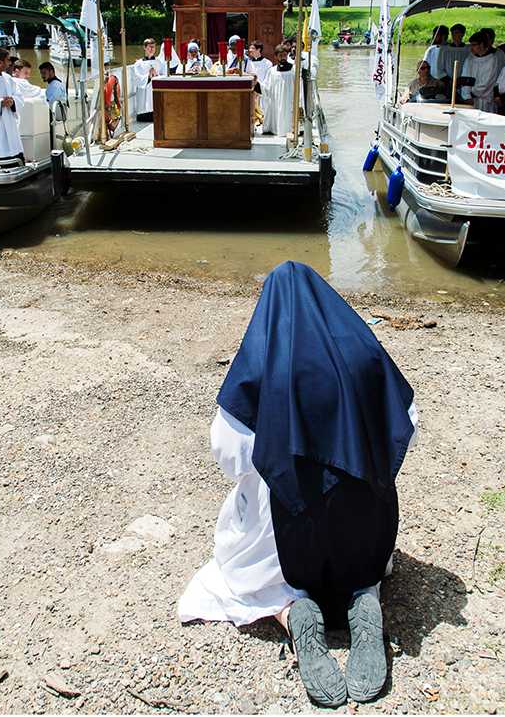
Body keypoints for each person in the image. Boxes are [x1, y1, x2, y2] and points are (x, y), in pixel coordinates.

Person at [179, 261, 417, 708]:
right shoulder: (365, 353)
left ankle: (291, 613)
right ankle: (362, 597)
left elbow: (229, 454)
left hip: (288, 538)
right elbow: (406, 423)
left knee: (242, 558)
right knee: (360, 523)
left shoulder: (261, 367)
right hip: (363, 532)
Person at [459, 30, 502, 112]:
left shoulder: (492, 60)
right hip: (469, 100)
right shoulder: (470, 59)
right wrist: (466, 96)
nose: (471, 48)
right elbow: (465, 78)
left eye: (474, 45)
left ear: (482, 45)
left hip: (484, 100)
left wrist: (472, 94)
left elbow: (487, 82)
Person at [261, 43, 295, 137]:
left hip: (289, 99)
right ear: (276, 57)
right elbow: (266, 87)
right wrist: (258, 85)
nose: (283, 58)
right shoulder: (272, 71)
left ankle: (289, 130)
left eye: (285, 55)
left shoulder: (293, 70)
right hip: (276, 100)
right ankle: (275, 129)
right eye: (280, 56)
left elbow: (298, 86)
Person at [130, 38, 163, 122]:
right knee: (143, 113)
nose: (152, 49)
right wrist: (148, 76)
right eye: (150, 47)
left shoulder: (159, 62)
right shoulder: (139, 64)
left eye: (154, 47)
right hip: (143, 94)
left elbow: (163, 76)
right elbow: (136, 78)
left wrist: (156, 75)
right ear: (144, 48)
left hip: (154, 92)